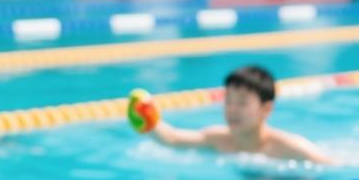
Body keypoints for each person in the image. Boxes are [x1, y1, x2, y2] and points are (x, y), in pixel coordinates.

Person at [128, 64, 335, 164]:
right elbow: (172, 139)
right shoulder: (219, 139)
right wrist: (149, 123)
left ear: (266, 109)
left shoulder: (289, 148)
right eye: (228, 101)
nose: (232, 110)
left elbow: (331, 167)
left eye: (242, 103)